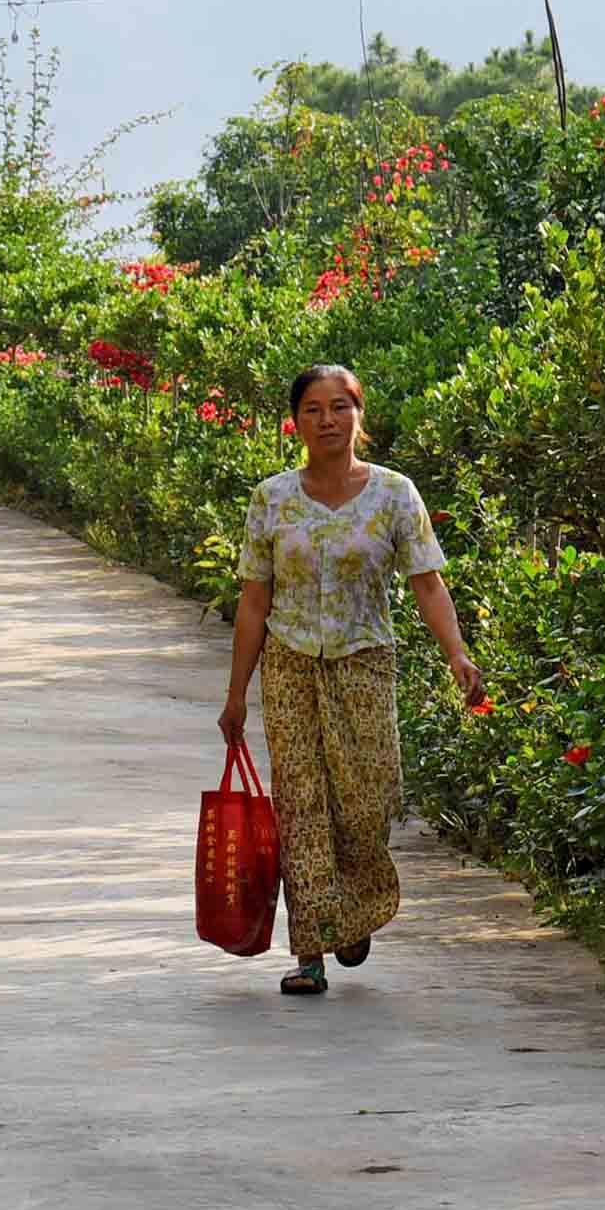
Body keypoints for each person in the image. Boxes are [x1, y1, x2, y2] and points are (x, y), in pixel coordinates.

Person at [218, 364, 487, 996]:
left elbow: (427, 581)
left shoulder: (395, 494)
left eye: (340, 407)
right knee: (301, 806)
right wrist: (236, 695)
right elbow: (254, 601)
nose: (328, 420)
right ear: (297, 421)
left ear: (359, 415)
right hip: (289, 667)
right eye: (313, 409)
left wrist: (457, 654)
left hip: (364, 662)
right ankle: (311, 947)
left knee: (369, 802)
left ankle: (354, 904)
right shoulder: (272, 498)